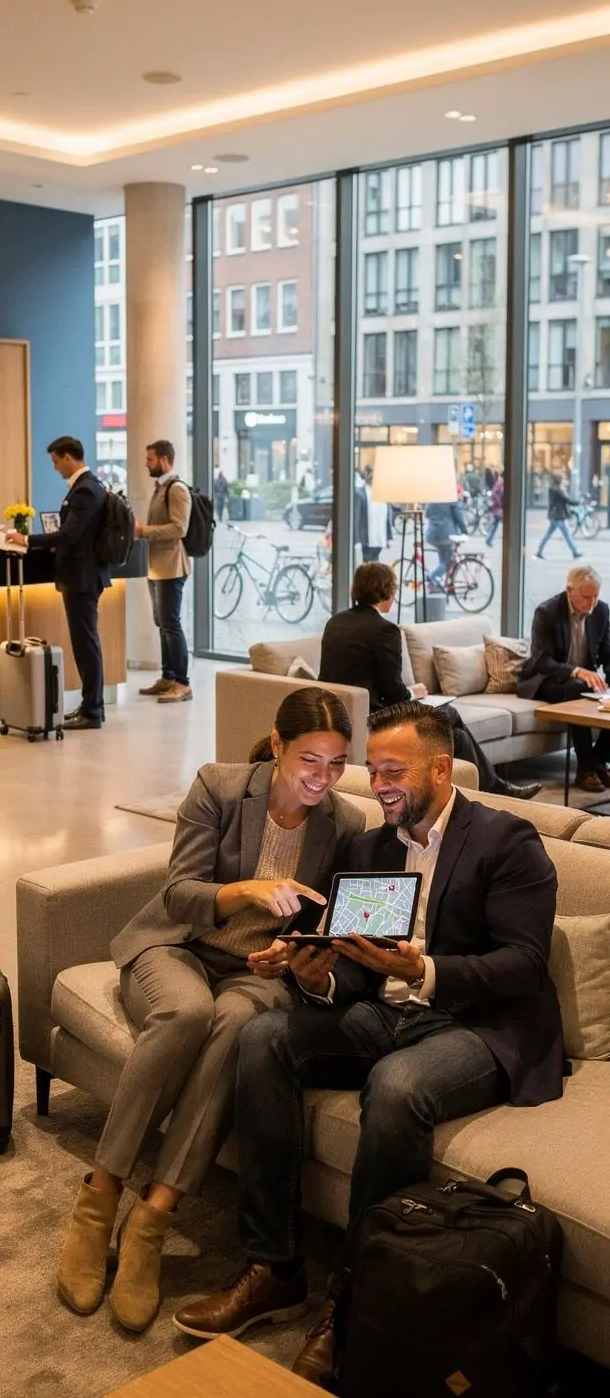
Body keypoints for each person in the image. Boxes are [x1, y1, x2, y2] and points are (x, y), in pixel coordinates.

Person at [173, 702, 564, 1383]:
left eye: (393, 771)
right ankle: (273, 1267)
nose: (378, 785)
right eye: (373, 769)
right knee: (265, 1037)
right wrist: (316, 974)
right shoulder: (369, 848)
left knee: (399, 1086)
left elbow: (523, 964)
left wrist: (426, 970)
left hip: (477, 1023)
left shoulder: (508, 842)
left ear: (440, 769)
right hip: (386, 1012)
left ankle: (352, 1298)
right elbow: (351, 964)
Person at [55, 689, 364, 1334]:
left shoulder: (344, 823)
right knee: (188, 1014)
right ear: (277, 746)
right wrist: (245, 889)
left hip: (258, 971)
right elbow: (179, 892)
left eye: (337, 765)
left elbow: (324, 918)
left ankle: (152, 1219)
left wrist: (292, 949)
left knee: (237, 1029)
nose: (322, 779)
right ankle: (100, 1197)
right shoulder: (219, 789)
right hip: (179, 948)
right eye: (311, 760)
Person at [319, 562, 540, 799]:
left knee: (456, 735)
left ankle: (486, 791)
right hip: (375, 717)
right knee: (450, 715)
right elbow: (395, 694)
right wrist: (414, 693)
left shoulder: (335, 623)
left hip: (341, 713)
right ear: (387, 591)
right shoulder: (383, 630)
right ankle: (494, 789)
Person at [8, 436, 108, 730]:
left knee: (86, 644)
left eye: (55, 461)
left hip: (82, 578)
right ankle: (92, 707)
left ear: (68, 457)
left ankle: (92, 710)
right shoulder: (87, 486)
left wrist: (25, 539)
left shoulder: (85, 490)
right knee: (86, 643)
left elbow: (68, 535)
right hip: (83, 575)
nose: (54, 468)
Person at [518, 564, 610, 793]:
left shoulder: (601, 611)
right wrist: (576, 670)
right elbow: (541, 661)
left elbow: (608, 654)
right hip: (545, 681)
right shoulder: (547, 612)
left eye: (596, 596)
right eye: (586, 597)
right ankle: (590, 766)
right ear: (570, 591)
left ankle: (593, 762)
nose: (592, 604)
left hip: (582, 681)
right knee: (577, 686)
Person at [135, 440, 193, 704]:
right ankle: (168, 677)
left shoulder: (177, 489)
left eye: (150, 459)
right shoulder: (160, 488)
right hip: (156, 566)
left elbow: (179, 529)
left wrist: (143, 531)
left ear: (164, 460)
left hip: (171, 567)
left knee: (171, 624)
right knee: (162, 624)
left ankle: (182, 683)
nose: (147, 464)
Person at [533, 475, 582, 561]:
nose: (563, 481)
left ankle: (539, 551)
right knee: (566, 535)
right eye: (562, 480)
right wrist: (578, 502)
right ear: (559, 481)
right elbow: (567, 500)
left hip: (554, 516)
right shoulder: (558, 491)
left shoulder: (552, 489)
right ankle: (575, 552)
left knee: (548, 534)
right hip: (558, 516)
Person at [425, 499, 467, 587]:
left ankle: (437, 584)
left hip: (432, 534)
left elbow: (427, 514)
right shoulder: (450, 497)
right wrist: (464, 531)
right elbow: (458, 516)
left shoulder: (432, 497)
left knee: (443, 561)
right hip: (446, 534)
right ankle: (432, 577)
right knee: (447, 563)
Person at [354, 466, 389, 563]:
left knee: (374, 562)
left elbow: (386, 516)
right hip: (368, 538)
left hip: (380, 537)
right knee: (369, 562)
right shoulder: (360, 493)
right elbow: (356, 517)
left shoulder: (381, 492)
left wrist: (388, 537)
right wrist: (356, 538)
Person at [484, 470, 504, 546]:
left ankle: (488, 535)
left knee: (495, 522)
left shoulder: (499, 481)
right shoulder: (500, 482)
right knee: (496, 523)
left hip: (497, 506)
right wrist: (500, 503)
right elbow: (497, 494)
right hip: (498, 507)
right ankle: (489, 539)